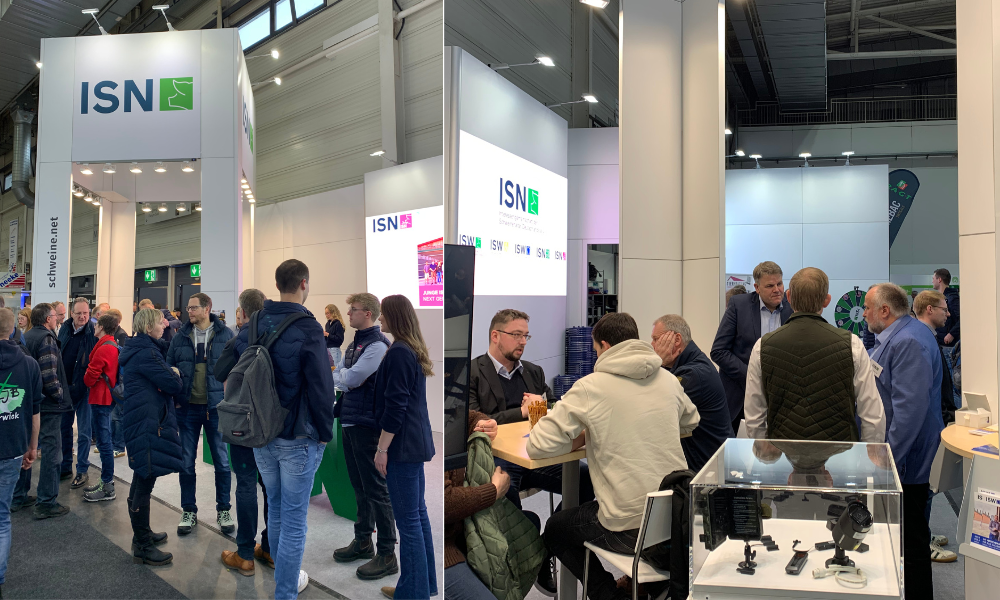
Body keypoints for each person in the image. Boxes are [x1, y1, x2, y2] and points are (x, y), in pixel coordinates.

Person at [527, 313, 699, 600]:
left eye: (596, 349)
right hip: (674, 520)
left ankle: (609, 595)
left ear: (604, 346)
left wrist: (584, 435)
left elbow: (538, 445)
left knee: (556, 528)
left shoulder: (591, 387)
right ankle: (653, 587)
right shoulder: (668, 380)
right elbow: (691, 421)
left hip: (628, 529)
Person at [466, 308, 592, 594]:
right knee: (503, 491)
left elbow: (555, 411)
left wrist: (544, 406)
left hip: (537, 453)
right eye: (516, 335)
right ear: (495, 336)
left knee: (587, 479)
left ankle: (547, 544)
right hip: (500, 458)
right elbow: (473, 420)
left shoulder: (534, 372)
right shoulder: (473, 372)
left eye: (526, 336)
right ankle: (524, 551)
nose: (522, 341)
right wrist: (520, 413)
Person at [231, 259, 335, 598]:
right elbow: (321, 387)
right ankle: (286, 591)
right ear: (304, 283)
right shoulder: (309, 327)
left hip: (262, 433)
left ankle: (284, 582)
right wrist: (325, 433)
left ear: (277, 285)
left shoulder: (256, 320)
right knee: (293, 520)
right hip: (298, 438)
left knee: (275, 509)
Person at [863, 282, 944, 600]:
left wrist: (887, 459)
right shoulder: (903, 334)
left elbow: (909, 411)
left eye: (868, 308)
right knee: (905, 540)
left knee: (911, 543)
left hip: (906, 462)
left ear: (885, 310)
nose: (864, 314)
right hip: (904, 459)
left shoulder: (908, 340)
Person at [744, 268, 885, 443]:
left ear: (788, 297)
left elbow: (754, 417)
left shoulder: (762, 346)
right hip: (840, 453)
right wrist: (867, 454)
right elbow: (872, 416)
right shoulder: (852, 344)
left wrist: (766, 454)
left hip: (783, 453)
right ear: (827, 300)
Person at [372, 295, 437, 600]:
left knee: (408, 522)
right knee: (417, 516)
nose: (379, 318)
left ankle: (413, 592)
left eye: (383, 314)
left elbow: (395, 408)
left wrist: (382, 449)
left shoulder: (399, 352)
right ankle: (419, 586)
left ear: (394, 316)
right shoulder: (410, 348)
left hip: (401, 447)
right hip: (414, 444)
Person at [331, 293, 398, 581]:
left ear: (368, 314)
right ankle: (363, 541)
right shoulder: (355, 343)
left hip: (367, 425)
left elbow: (351, 378)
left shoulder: (378, 345)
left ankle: (387, 553)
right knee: (359, 486)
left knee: (376, 490)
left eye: (353, 310)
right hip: (350, 421)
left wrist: (340, 376)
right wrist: (343, 376)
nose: (348, 314)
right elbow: (343, 376)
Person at [167, 292, 235, 536]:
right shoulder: (180, 336)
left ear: (207, 309)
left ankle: (224, 510)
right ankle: (188, 510)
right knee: (186, 462)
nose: (189, 312)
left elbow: (237, 369)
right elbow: (169, 366)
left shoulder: (226, 335)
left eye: (193, 308)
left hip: (215, 408)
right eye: (188, 308)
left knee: (222, 461)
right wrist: (175, 394)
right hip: (187, 409)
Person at [218, 288, 275, 577]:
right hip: (272, 423)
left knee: (245, 484)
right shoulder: (277, 334)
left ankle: (244, 555)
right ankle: (270, 549)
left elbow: (219, 371)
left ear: (242, 312)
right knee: (270, 488)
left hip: (244, 421)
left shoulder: (240, 338)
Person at [121, 308, 183, 566]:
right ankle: (143, 545)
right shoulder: (147, 353)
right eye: (160, 322)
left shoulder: (142, 349)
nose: (165, 324)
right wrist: (174, 372)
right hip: (146, 424)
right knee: (144, 481)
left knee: (142, 476)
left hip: (143, 421)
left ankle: (142, 534)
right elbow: (174, 384)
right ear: (148, 327)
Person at [711, 261, 793, 435]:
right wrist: (751, 376)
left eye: (779, 283)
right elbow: (719, 351)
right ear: (756, 287)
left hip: (783, 398)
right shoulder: (739, 305)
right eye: (770, 286)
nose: (777, 290)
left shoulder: (792, 307)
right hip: (741, 396)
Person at [909, 289, 960, 564]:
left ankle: (924, 534)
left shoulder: (926, 337)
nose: (948, 314)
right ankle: (922, 542)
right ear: (929, 309)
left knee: (928, 489)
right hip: (926, 430)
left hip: (934, 423)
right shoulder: (920, 339)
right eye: (944, 308)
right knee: (924, 490)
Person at [651, 314, 731, 472]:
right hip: (705, 464)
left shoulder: (693, 374)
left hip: (706, 473)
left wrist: (658, 362)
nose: (652, 345)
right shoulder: (691, 364)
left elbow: (655, 409)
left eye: (656, 339)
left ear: (677, 339)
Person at [0, 307, 42, 598]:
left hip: (13, 449)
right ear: (14, 329)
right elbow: (35, 412)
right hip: (14, 447)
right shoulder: (29, 365)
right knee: (2, 516)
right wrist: (32, 447)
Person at [23, 303, 73, 520]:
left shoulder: (27, 336)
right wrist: (59, 395)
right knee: (52, 452)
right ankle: (46, 502)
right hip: (49, 405)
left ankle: (19, 496)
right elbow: (49, 374)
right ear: (47, 319)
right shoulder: (47, 339)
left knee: (26, 447)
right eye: (54, 315)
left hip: (30, 403)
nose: (57, 318)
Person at [81, 313, 122, 502]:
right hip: (105, 397)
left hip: (101, 398)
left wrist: (90, 376)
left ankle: (107, 485)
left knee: (104, 443)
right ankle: (105, 482)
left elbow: (89, 377)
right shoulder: (111, 345)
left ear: (102, 327)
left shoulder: (104, 348)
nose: (94, 327)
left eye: (97, 325)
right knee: (105, 441)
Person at [56, 298, 96, 489]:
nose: (82, 317)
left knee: (85, 432)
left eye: (85, 313)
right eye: (79, 313)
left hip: (84, 389)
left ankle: (82, 469)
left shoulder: (93, 332)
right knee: (64, 429)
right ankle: (65, 466)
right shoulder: (64, 329)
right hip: (65, 390)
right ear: (71, 313)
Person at [931, 268, 960, 347]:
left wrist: (951, 334)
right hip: (940, 342)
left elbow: (961, 319)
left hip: (948, 344)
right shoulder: (942, 297)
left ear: (939, 279)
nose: (932, 281)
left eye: (933, 279)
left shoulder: (952, 298)